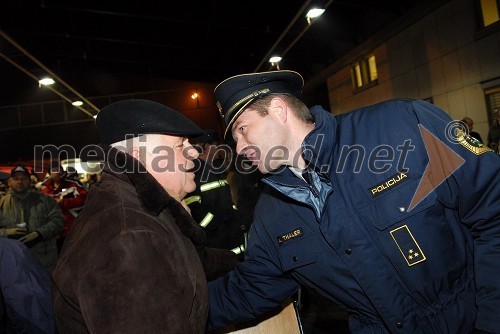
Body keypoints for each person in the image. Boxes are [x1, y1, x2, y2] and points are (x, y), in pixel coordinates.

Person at [207, 70, 500, 333]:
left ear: (279, 110)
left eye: (242, 129)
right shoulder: (272, 214)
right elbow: (249, 289)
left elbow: (493, 211)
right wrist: (178, 310)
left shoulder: (401, 127)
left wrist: (491, 321)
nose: (239, 147)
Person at [52, 99, 238, 333]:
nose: (194, 153)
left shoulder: (143, 207)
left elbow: (182, 259)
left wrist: (242, 262)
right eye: (181, 145)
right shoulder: (129, 238)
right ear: (142, 158)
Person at [185, 129, 246, 256]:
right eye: (216, 146)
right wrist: (216, 221)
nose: (219, 150)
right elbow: (194, 210)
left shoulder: (214, 170)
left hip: (232, 242)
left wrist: (235, 215)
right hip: (216, 246)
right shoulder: (194, 172)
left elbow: (227, 200)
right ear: (206, 146)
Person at [0, 165, 64, 273]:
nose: (20, 181)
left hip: (43, 263)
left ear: (29, 181)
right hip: (13, 264)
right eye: (16, 178)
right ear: (9, 182)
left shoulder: (46, 201)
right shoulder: (2, 204)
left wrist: (39, 234)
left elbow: (58, 221)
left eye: (24, 178)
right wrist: (6, 233)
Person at [0, 238, 55, 333]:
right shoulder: (7, 251)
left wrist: (39, 234)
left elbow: (31, 313)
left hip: (44, 254)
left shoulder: (7, 252)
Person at [40, 161, 88, 253]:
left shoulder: (74, 184)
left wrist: (64, 202)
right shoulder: (44, 189)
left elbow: (85, 199)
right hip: (53, 230)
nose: (57, 172)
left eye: (59, 169)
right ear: (49, 173)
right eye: (54, 170)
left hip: (72, 228)